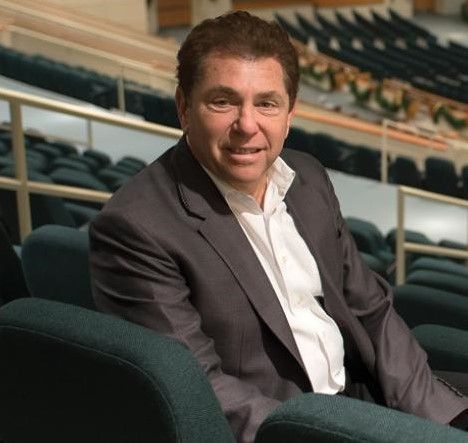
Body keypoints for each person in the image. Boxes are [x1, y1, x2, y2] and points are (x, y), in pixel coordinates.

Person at [89, 11, 468, 442]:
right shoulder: (137, 227)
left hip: (361, 394)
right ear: (183, 107)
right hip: (287, 427)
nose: (247, 125)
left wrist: (439, 418)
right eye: (223, 101)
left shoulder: (308, 178)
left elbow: (371, 310)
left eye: (266, 103)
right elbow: (197, 391)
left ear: (290, 113)